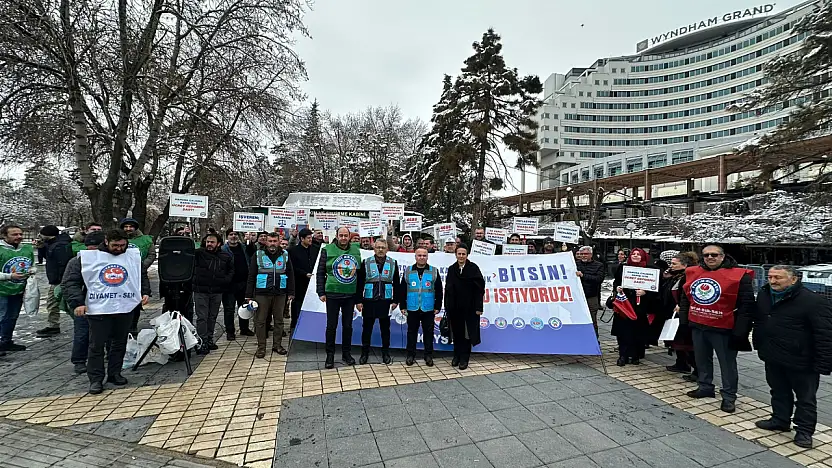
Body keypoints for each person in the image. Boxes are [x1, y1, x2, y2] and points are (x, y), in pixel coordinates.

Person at [750, 265, 832, 449]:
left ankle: (804, 431)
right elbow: (761, 320)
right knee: (778, 391)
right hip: (773, 354)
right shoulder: (765, 295)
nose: (772, 281)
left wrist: (824, 363)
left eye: (778, 277)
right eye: (770, 277)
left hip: (802, 360)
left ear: (794, 279)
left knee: (805, 398)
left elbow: (825, 334)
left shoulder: (813, 301)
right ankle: (780, 419)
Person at [62, 229, 150, 394]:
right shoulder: (86, 259)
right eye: (115, 245)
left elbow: (141, 276)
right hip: (98, 309)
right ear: (107, 242)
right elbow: (70, 282)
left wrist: (145, 292)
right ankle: (95, 379)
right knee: (96, 345)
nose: (119, 249)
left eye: (122, 245)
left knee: (119, 343)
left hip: (125, 307)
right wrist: (77, 302)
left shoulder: (132, 257)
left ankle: (114, 373)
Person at [678, 244, 754, 414]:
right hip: (699, 325)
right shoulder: (693, 272)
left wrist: (741, 331)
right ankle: (705, 386)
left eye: (714, 254)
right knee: (702, 359)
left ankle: (728, 396)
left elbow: (746, 306)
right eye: (706, 255)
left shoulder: (739, 275)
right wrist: (684, 322)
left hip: (724, 328)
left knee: (727, 364)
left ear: (722, 256)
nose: (710, 258)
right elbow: (685, 298)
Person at [316, 226, 361, 368]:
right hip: (332, 293)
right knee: (331, 326)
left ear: (349, 236)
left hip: (349, 294)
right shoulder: (327, 249)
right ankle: (330, 355)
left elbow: (359, 275)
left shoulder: (356, 250)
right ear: (336, 236)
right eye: (340, 235)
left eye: (345, 235)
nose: (343, 238)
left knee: (348, 326)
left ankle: (346, 354)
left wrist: (358, 297)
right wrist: (321, 292)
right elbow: (320, 272)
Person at [247, 232, 295, 358]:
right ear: (266, 242)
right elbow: (251, 275)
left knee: (279, 321)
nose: (272, 243)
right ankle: (261, 347)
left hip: (280, 292)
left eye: (275, 241)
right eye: (270, 241)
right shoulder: (258, 254)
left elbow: (290, 274)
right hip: (262, 293)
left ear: (279, 242)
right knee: (260, 321)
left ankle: (277, 345)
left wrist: (291, 292)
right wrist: (248, 295)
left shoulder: (285, 254)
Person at [65, 231, 106, 373]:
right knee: (82, 332)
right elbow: (70, 283)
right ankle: (79, 360)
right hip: (85, 303)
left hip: (106, 302)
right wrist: (77, 303)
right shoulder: (77, 261)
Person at [355, 239, 401, 365]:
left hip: (385, 302)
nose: (380, 250)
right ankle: (364, 353)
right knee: (367, 329)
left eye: (383, 247)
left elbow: (397, 283)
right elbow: (360, 283)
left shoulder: (393, 263)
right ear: (374, 248)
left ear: (387, 249)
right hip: (369, 301)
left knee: (385, 330)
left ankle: (385, 353)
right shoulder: (366, 262)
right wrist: (358, 300)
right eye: (378, 247)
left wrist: (396, 300)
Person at [610, 248, 658, 366]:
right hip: (624, 304)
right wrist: (618, 288)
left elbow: (655, 288)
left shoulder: (650, 270)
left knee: (638, 331)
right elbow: (616, 281)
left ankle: (636, 355)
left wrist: (645, 292)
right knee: (623, 331)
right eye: (634, 254)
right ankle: (623, 355)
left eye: (638, 254)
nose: (636, 256)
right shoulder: (623, 268)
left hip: (640, 305)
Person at [398, 247, 443, 367]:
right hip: (412, 308)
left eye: (424, 255)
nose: (422, 257)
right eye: (419, 255)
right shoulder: (408, 270)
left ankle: (428, 355)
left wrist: (438, 306)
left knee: (428, 333)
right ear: (415, 257)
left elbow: (439, 290)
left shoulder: (434, 271)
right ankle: (410, 355)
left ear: (427, 257)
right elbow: (402, 290)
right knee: (411, 332)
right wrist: (402, 305)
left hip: (428, 308)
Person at [444, 243, 485, 370]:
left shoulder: (473, 268)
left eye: (463, 254)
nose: (461, 256)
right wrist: (447, 306)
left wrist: (479, 308)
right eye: (459, 254)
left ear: (467, 255)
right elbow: (448, 289)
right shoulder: (452, 269)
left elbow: (480, 290)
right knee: (456, 334)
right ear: (455, 255)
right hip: (455, 308)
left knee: (467, 335)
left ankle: (464, 358)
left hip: (470, 309)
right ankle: (456, 356)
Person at [192, 233, 233, 355]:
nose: (209, 244)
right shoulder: (199, 253)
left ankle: (209, 339)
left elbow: (231, 270)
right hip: (201, 290)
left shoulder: (225, 256)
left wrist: (225, 280)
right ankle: (202, 341)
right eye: (207, 242)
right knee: (202, 317)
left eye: (212, 242)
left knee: (212, 316)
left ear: (218, 243)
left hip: (216, 291)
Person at [662, 252, 699, 380]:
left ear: (684, 265)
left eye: (674, 264)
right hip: (673, 312)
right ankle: (681, 363)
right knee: (677, 341)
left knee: (687, 344)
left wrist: (682, 306)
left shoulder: (688, 277)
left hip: (683, 313)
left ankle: (697, 370)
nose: (671, 266)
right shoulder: (675, 276)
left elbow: (689, 294)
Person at [0, 224, 34, 352]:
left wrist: (32, 270)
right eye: (14, 234)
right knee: (1, 317)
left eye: (20, 234)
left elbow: (30, 264)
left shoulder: (27, 249)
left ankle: (6, 341)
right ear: (4, 235)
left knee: (12, 317)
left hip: (18, 289)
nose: (19, 237)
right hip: (1, 290)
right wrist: (9, 276)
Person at [119, 218, 156, 335]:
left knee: (136, 300)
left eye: (131, 226)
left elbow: (151, 254)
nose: (128, 229)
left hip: (138, 274)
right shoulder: (118, 239)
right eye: (126, 227)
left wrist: (142, 266)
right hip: (120, 274)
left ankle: (133, 325)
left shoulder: (145, 240)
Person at [36, 225, 72, 337]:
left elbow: (62, 264)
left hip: (59, 280)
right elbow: (49, 258)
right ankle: (53, 325)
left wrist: (60, 280)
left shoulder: (58, 246)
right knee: (55, 304)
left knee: (54, 303)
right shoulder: (54, 244)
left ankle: (54, 326)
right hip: (58, 279)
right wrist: (42, 248)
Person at [220, 229, 255, 340]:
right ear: (227, 237)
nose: (233, 236)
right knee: (229, 309)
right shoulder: (222, 249)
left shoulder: (244, 248)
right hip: (229, 285)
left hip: (244, 283)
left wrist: (250, 241)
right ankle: (230, 331)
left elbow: (253, 253)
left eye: (235, 234)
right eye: (231, 234)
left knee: (244, 307)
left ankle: (244, 328)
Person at [288, 228, 319, 334]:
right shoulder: (293, 251)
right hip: (299, 282)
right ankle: (295, 324)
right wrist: (304, 274)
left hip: (312, 282)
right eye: (308, 238)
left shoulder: (315, 249)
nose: (311, 240)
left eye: (311, 237)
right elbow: (292, 267)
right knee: (297, 304)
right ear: (302, 239)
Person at [575, 246, 604, 337]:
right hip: (577, 297)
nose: (583, 256)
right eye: (581, 254)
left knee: (592, 320)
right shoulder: (575, 264)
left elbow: (599, 279)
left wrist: (583, 276)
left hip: (591, 297)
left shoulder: (599, 265)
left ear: (591, 254)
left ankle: (594, 340)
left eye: (586, 254)